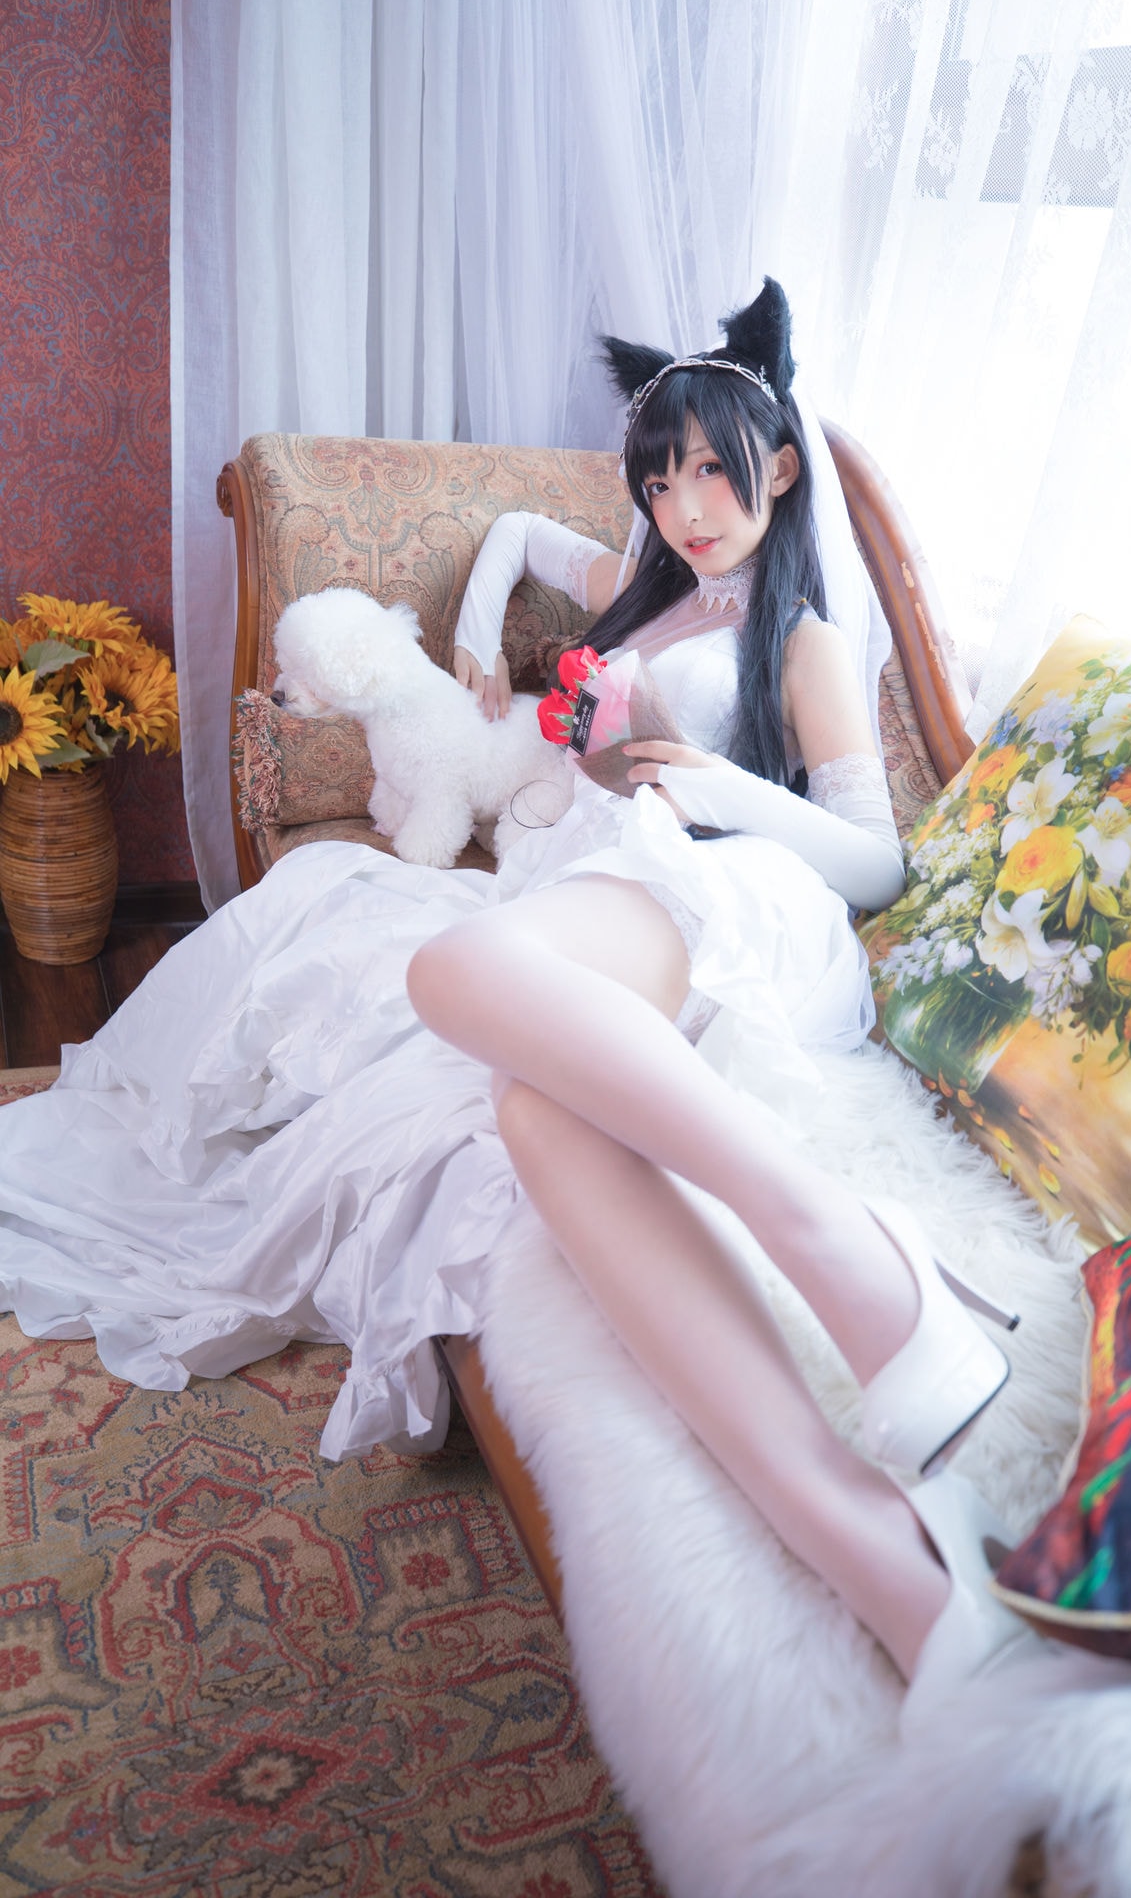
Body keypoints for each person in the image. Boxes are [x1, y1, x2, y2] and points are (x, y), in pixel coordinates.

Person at [0, 279, 1032, 1718]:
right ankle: (897, 1574)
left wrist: (718, 783)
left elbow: (876, 863)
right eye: (659, 479)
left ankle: (857, 1259)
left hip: (737, 895)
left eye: (711, 471)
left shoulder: (800, 638)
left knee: (453, 970)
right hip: (607, 880)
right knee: (531, 1110)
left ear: (782, 468)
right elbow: (533, 590)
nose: (684, 505)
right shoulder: (643, 593)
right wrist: (549, 706)